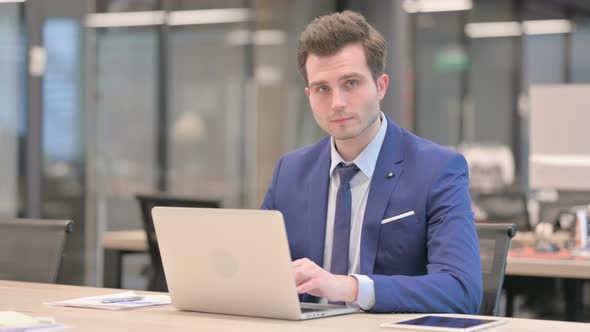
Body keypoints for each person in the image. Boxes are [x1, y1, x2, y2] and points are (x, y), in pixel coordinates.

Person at [261, 10, 482, 314]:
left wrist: (350, 287)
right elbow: (256, 272)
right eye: (323, 88)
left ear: (381, 86)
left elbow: (461, 289)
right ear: (309, 94)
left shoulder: (438, 170)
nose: (337, 102)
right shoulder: (291, 171)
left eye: (351, 83)